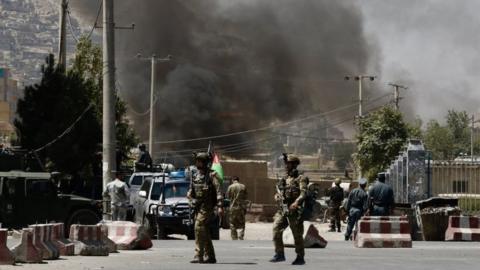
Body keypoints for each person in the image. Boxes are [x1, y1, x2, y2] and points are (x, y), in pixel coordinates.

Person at [270, 154, 308, 265]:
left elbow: (304, 193)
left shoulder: (301, 178)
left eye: (289, 164)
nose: (286, 166)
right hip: (283, 209)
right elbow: (279, 192)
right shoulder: (284, 179)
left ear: (294, 165)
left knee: (297, 234)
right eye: (286, 164)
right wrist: (277, 196)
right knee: (276, 229)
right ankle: (279, 254)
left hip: (295, 210)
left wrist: (296, 203)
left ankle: (300, 257)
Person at [187, 152, 224, 264]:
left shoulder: (212, 175)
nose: (197, 162)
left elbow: (218, 191)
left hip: (208, 207)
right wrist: (190, 199)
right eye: (197, 160)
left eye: (199, 161)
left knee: (198, 227)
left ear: (204, 162)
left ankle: (198, 255)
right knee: (204, 231)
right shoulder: (195, 175)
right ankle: (211, 256)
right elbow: (191, 192)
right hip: (198, 206)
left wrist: (220, 206)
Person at [227, 176, 248, 240]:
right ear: (238, 180)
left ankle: (234, 237)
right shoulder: (243, 186)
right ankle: (240, 235)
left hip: (233, 207)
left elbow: (228, 197)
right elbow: (245, 197)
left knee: (232, 223)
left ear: (233, 180)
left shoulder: (230, 187)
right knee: (242, 223)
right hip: (241, 207)